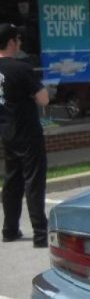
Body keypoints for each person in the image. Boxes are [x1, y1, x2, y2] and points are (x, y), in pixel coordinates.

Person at [0, 23, 49, 248]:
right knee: (34, 182)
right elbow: (43, 99)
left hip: (7, 132)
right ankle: (40, 233)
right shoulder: (21, 68)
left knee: (12, 181)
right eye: (18, 40)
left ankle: (9, 229)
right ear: (11, 42)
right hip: (28, 133)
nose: (20, 44)